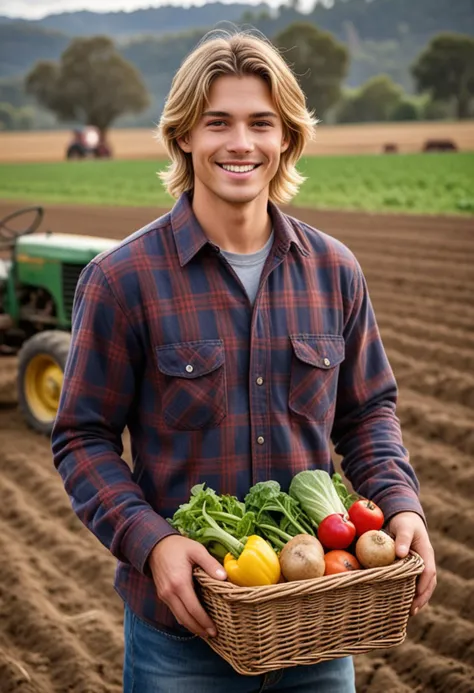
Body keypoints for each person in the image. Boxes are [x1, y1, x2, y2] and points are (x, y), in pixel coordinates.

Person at [51, 30, 436, 693]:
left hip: (317, 633)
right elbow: (82, 437)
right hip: (182, 638)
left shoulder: (334, 271)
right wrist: (153, 541)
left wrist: (402, 506)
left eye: (262, 123)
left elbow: (368, 414)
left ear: (287, 137)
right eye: (217, 123)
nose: (241, 143)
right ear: (184, 138)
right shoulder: (123, 280)